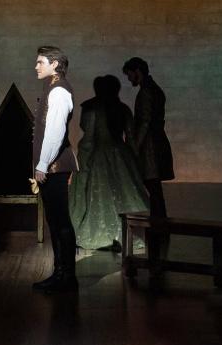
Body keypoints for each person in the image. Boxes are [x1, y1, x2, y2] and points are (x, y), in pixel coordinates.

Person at [69, 75, 149, 250]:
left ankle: (107, 236)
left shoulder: (91, 109)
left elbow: (89, 139)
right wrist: (134, 160)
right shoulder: (123, 109)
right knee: (119, 195)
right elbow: (131, 138)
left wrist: (83, 160)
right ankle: (121, 236)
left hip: (100, 157)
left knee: (101, 196)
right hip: (121, 155)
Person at [31, 46, 79, 293]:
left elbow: (55, 132)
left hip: (55, 166)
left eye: (40, 62)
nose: (36, 66)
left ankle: (67, 277)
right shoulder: (52, 87)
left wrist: (42, 164)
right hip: (52, 165)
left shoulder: (59, 91)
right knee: (55, 220)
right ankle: (60, 274)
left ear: (55, 64)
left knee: (60, 221)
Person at [122, 57, 174, 262]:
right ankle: (160, 224)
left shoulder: (146, 92)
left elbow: (144, 122)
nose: (128, 78)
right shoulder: (153, 89)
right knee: (155, 188)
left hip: (150, 146)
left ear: (137, 71)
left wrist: (134, 146)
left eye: (129, 74)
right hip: (156, 142)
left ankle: (159, 225)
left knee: (153, 186)